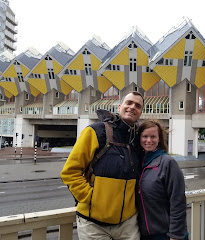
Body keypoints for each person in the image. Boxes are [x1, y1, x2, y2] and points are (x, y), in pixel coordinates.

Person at [61, 91, 144, 240]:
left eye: (138, 106)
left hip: (128, 224)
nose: (132, 107)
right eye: (129, 103)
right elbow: (70, 171)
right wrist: (91, 198)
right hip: (93, 225)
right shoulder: (95, 131)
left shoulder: (138, 140)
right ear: (119, 107)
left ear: (141, 112)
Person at [137, 120, 187, 240]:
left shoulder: (167, 162)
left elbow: (178, 201)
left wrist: (175, 235)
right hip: (143, 235)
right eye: (145, 136)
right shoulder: (137, 163)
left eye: (153, 136)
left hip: (166, 235)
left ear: (159, 139)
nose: (149, 140)